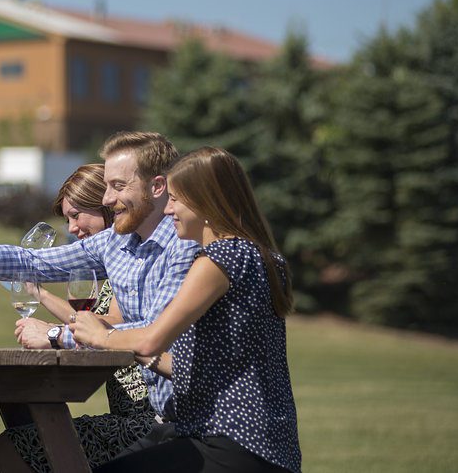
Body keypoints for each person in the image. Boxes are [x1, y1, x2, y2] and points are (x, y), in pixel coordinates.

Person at [0, 131, 199, 467]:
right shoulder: (116, 243)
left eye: (117, 186)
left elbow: (154, 330)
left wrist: (57, 335)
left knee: (23, 446)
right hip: (160, 421)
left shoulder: (184, 245)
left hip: (187, 426)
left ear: (157, 187)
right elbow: (34, 261)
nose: (107, 199)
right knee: (22, 442)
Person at [71, 147, 301, 473]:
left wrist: (102, 335)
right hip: (265, 442)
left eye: (176, 199)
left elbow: (152, 339)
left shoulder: (221, 258)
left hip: (230, 439)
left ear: (205, 202)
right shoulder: (260, 257)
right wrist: (138, 353)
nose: (168, 211)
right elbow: (193, 365)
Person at [0, 163, 158, 472]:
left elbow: (110, 327)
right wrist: (41, 295)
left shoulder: (134, 263)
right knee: (28, 438)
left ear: (106, 206)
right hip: (134, 416)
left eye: (76, 215)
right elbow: (89, 320)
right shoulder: (117, 262)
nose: (71, 228)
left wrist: (52, 334)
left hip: (148, 423)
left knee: (14, 446)